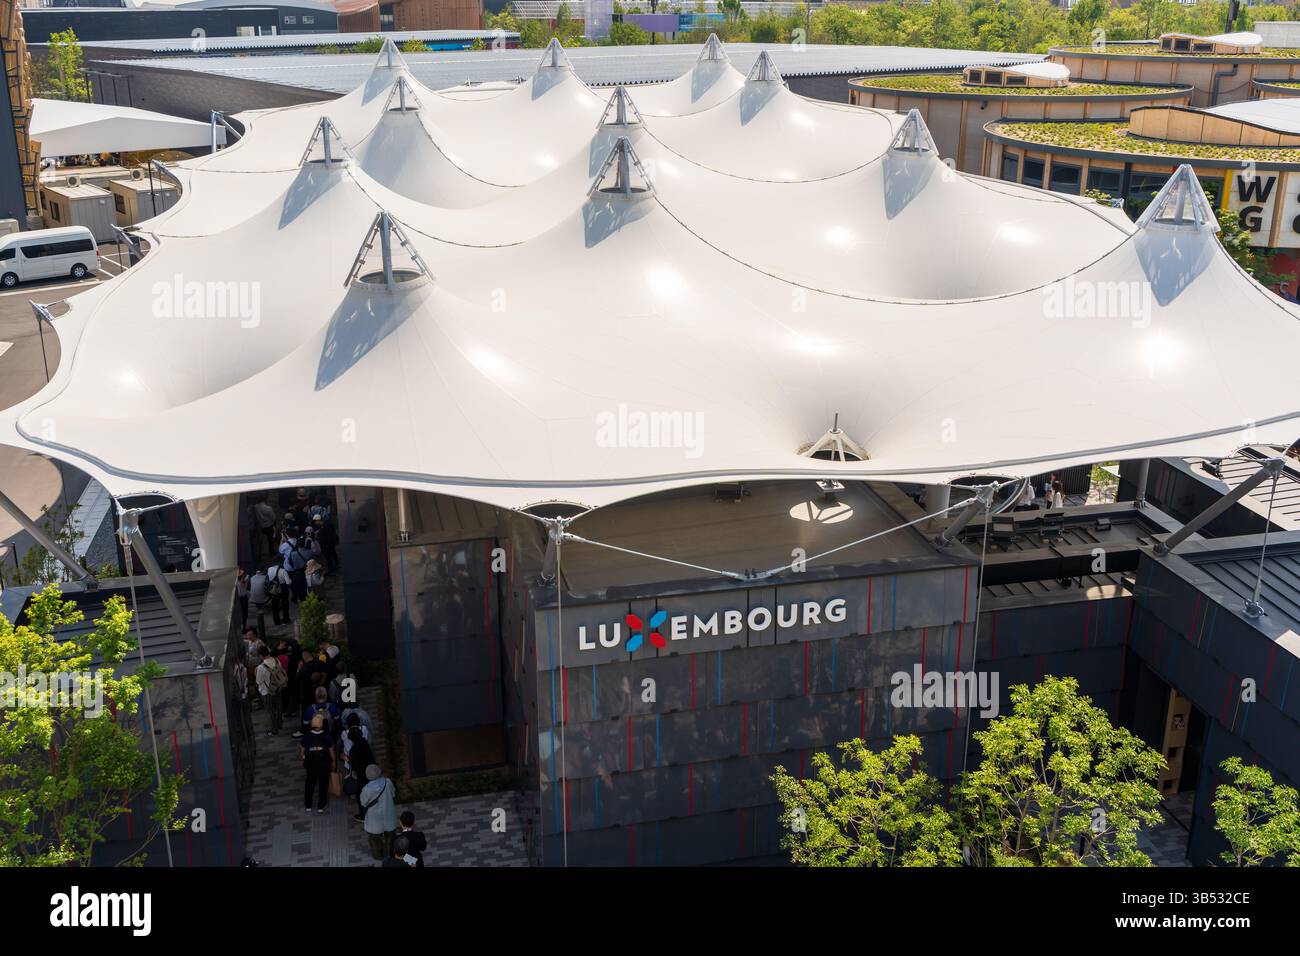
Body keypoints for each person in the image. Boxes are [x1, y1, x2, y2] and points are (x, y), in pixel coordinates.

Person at [359, 764, 398, 860]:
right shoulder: (387, 782)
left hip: (374, 819)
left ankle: (378, 855)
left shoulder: (366, 789)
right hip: (388, 814)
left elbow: (363, 803)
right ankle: (392, 852)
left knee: (375, 839)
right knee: (391, 836)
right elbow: (393, 794)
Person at [300, 713, 335, 814]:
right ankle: (321, 805)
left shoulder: (307, 736)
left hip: (310, 765)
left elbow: (302, 750)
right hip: (324, 765)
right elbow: (331, 751)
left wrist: (302, 760)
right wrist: (333, 762)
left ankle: (308, 805)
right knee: (323, 785)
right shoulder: (326, 736)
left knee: (309, 784)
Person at [255, 644, 287, 736]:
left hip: (267, 691)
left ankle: (274, 729)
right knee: (278, 706)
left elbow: (258, 681)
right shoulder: (277, 660)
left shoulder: (261, 667)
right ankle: (279, 724)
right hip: (278, 687)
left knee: (270, 710)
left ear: (261, 655)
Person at [345, 724, 375, 817]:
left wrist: (347, 759)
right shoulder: (364, 741)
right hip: (371, 770)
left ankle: (363, 814)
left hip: (361, 774)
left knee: (360, 793)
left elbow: (353, 766)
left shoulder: (353, 750)